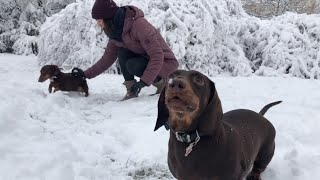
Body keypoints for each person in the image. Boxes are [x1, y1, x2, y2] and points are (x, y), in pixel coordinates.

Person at [72, 0, 179, 100]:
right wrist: (85, 74)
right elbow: (106, 59)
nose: (98, 24)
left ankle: (161, 84)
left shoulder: (139, 26)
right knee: (122, 52)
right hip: (147, 60)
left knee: (132, 64)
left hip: (165, 64)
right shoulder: (116, 32)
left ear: (108, 18)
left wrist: (143, 82)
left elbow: (157, 55)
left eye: (99, 20)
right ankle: (131, 90)